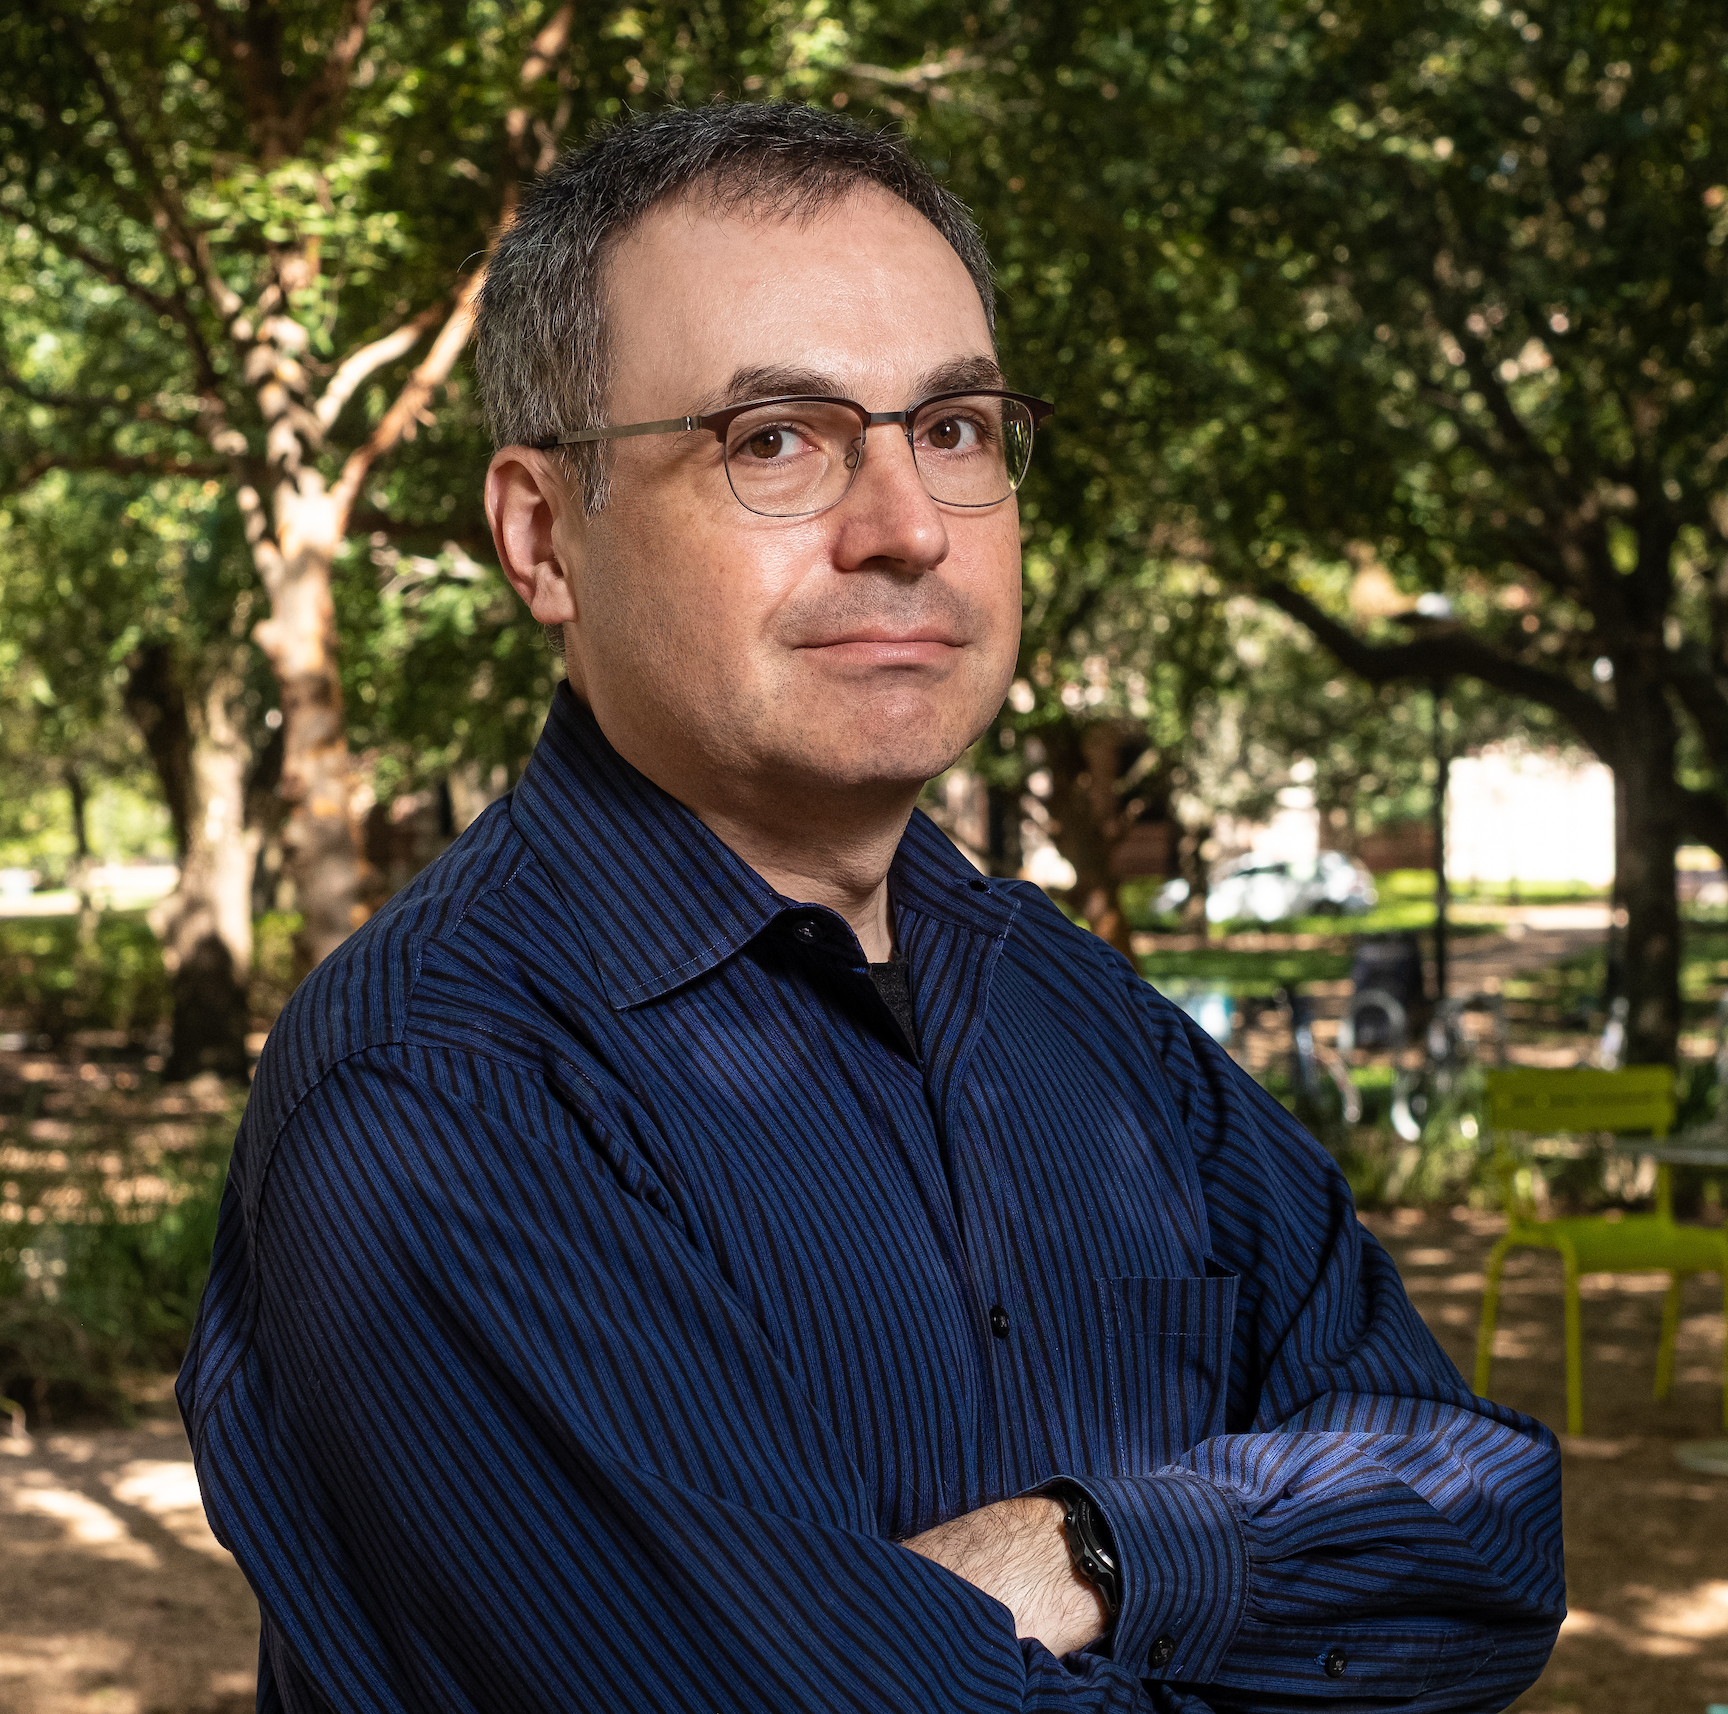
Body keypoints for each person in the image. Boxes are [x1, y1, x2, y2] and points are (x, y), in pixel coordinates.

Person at [180, 102, 1565, 1713]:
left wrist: (1097, 1544)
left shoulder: (1084, 1018)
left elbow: (1485, 1522)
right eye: (774, 439)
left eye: (955, 429)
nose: (908, 527)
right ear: (543, 536)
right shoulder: (441, 1089)